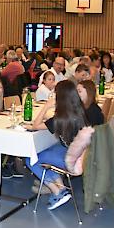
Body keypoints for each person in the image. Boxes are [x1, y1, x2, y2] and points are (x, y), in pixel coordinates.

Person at [26, 80, 86, 210]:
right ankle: (61, 188)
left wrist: (47, 106)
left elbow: (36, 125)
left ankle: (56, 191)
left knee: (31, 158)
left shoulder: (61, 118)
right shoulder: (79, 110)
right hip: (83, 155)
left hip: (73, 160)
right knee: (48, 148)